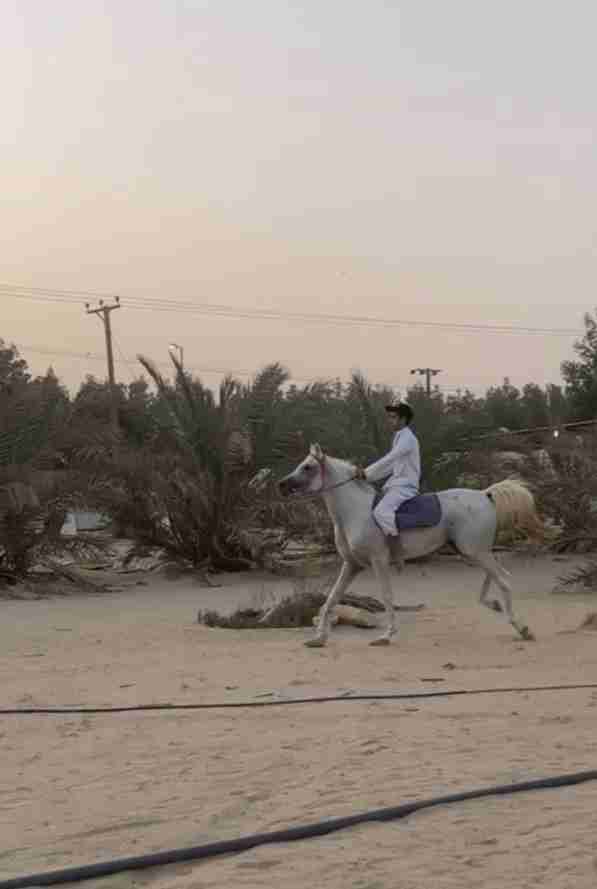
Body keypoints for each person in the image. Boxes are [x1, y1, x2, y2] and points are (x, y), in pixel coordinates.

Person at [354, 402, 420, 564]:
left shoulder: (408, 438)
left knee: (381, 512)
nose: (390, 420)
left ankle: (397, 552)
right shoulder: (399, 437)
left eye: (393, 417)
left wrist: (367, 471)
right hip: (396, 484)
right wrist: (367, 477)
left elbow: (390, 458)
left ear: (403, 419)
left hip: (406, 486)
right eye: (389, 417)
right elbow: (391, 467)